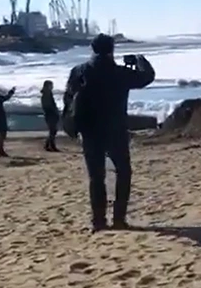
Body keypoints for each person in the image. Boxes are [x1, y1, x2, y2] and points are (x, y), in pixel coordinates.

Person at [63, 33, 155, 233]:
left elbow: (68, 98)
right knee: (123, 173)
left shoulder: (79, 71)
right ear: (111, 50)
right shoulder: (119, 73)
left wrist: (71, 125)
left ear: (92, 49)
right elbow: (147, 77)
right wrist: (140, 60)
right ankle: (119, 219)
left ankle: (98, 221)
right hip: (115, 129)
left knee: (96, 177)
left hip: (90, 131)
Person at [0, 82, 15, 157]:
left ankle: (0, 150)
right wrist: (11, 93)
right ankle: (0, 150)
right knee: (2, 133)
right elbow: (4, 98)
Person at [40, 80, 61, 152]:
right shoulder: (46, 95)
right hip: (50, 114)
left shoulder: (48, 94)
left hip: (51, 114)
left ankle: (48, 145)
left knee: (53, 130)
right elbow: (47, 106)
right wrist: (54, 111)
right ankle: (51, 146)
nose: (52, 87)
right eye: (51, 85)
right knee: (53, 130)